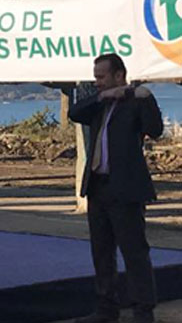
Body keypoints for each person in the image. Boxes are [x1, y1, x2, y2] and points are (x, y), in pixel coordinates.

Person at [69, 53, 163, 323]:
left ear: (119, 75)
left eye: (102, 77)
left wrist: (142, 96)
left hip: (125, 189)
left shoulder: (136, 101)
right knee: (101, 252)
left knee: (134, 253)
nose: (97, 81)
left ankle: (143, 312)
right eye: (95, 76)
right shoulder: (99, 104)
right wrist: (101, 97)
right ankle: (106, 309)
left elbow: (155, 129)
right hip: (98, 188)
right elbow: (74, 113)